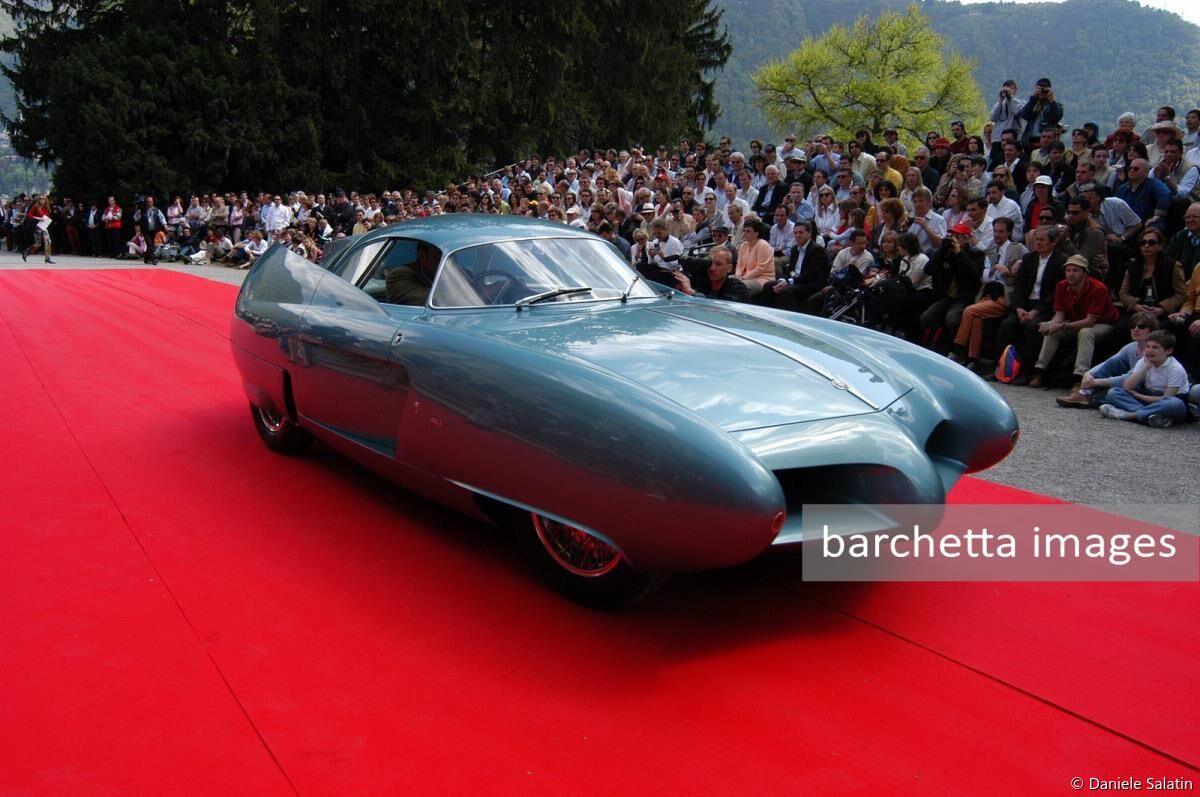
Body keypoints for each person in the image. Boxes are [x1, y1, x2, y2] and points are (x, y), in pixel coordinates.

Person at [1027, 255, 1119, 388]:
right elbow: (1060, 314)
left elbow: (1090, 321)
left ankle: (1079, 376)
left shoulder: (1098, 288)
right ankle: (1039, 370)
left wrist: (1061, 325)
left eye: (1075, 270)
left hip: (1102, 323)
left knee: (1085, 332)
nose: (1071, 274)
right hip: (1075, 321)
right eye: (1068, 270)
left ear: (1084, 272)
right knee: (1052, 331)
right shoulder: (1062, 286)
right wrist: (1051, 325)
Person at [1056, 312, 1158, 408]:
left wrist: (1096, 382)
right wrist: (1089, 373)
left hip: (1147, 390)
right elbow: (1109, 362)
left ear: (1152, 330)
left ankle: (1090, 398)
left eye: (1141, 327)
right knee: (1115, 363)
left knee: (1112, 394)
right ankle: (1085, 394)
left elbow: (1131, 378)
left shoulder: (1152, 351)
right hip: (1131, 386)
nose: (1135, 329)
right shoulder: (1131, 347)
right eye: (1132, 326)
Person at [1098, 330, 1190, 428]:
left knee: (1174, 403)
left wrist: (1137, 395)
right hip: (1149, 395)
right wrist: (1146, 367)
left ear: (1168, 351)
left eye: (1155, 347)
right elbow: (1127, 386)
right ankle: (1152, 416)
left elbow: (1166, 397)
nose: (1149, 350)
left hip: (1169, 401)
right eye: (1148, 346)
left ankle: (1129, 415)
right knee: (1113, 392)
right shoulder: (1145, 361)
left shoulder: (1175, 368)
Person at [770, 220, 829, 312]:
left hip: (810, 285)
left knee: (786, 290)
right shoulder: (794, 250)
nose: (797, 235)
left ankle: (787, 319)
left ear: (809, 234)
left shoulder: (817, 250)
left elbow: (809, 275)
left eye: (801, 232)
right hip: (796, 280)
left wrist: (789, 282)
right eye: (795, 233)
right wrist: (783, 280)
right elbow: (790, 271)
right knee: (769, 285)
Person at [673, 248, 749, 302]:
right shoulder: (702, 282)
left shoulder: (737, 288)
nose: (712, 268)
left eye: (718, 264)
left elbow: (722, 309)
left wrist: (692, 292)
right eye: (709, 263)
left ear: (729, 268)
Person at [736, 219, 775, 296]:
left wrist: (743, 278)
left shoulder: (763, 245)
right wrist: (738, 276)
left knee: (739, 288)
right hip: (744, 277)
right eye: (744, 231)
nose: (744, 233)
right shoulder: (744, 245)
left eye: (748, 231)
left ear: (756, 233)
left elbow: (760, 269)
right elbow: (739, 264)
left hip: (762, 279)